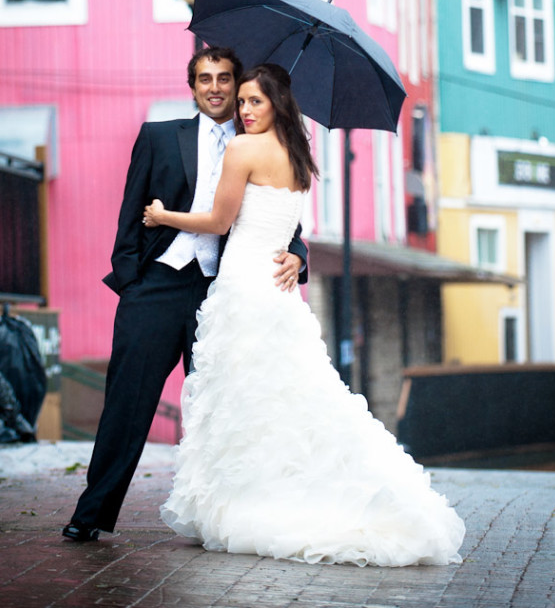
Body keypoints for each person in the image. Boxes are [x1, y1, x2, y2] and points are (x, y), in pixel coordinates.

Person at [143, 63, 465, 567]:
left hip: (246, 287)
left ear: (276, 104)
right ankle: (274, 493)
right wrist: (297, 255)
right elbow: (289, 226)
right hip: (278, 292)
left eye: (255, 102)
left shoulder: (244, 149)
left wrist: (163, 216)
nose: (244, 111)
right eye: (242, 102)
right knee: (280, 396)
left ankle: (252, 502)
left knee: (246, 397)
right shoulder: (299, 156)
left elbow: (218, 221)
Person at [63, 49, 308, 542]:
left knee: (220, 409)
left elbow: (285, 218)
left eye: (225, 79)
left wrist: (299, 255)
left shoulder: (258, 139)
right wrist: (130, 282)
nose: (216, 88)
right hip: (154, 288)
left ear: (239, 87)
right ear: (192, 86)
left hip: (220, 293)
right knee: (126, 404)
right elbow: (131, 210)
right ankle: (91, 513)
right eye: (204, 79)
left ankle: (219, 518)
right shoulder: (158, 135)